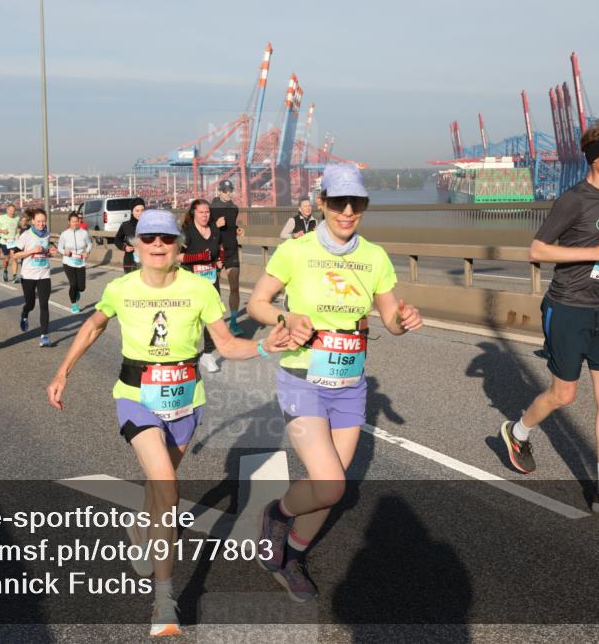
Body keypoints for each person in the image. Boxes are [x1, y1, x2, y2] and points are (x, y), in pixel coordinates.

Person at [46, 209, 289, 636]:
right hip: (136, 398)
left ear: (179, 246)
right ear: (135, 246)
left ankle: (141, 524)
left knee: (161, 488)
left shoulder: (199, 290)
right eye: (149, 239)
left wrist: (266, 348)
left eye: (166, 239)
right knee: (166, 487)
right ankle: (164, 600)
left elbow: (228, 345)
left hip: (186, 402)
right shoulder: (121, 288)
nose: (157, 246)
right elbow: (94, 325)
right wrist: (63, 371)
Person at [247, 164, 423, 602]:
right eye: (339, 202)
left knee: (329, 488)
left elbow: (390, 319)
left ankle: (291, 558)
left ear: (364, 206)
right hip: (302, 377)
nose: (347, 211)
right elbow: (257, 303)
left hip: (349, 383)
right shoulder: (296, 251)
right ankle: (277, 513)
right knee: (331, 485)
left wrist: (404, 320)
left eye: (357, 203)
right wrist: (286, 317)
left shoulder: (376, 258)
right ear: (322, 202)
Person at [500, 119, 599, 515]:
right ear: (595, 157)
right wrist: (595, 254)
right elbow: (537, 251)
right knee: (564, 394)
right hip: (567, 308)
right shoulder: (573, 200)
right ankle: (517, 432)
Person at [179, 199, 225, 374]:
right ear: (193, 214)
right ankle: (186, 353)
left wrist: (220, 259)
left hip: (211, 279)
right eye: (201, 212)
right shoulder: (187, 232)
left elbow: (219, 247)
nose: (205, 215)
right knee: (191, 318)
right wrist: (198, 256)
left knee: (213, 317)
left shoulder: (214, 229)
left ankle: (207, 354)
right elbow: (176, 256)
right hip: (191, 279)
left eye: (207, 212)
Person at [13, 209, 59, 347]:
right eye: (38, 221)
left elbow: (46, 250)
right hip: (28, 275)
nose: (41, 224)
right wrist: (32, 251)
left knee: (44, 305)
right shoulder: (26, 235)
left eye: (43, 221)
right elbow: (15, 255)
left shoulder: (47, 234)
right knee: (31, 304)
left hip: (44, 274)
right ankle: (25, 313)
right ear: (32, 221)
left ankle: (44, 335)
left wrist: (50, 252)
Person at [209, 179, 245, 335]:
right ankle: (214, 322)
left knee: (235, 287)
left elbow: (230, 226)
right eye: (225, 190)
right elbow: (203, 229)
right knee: (212, 290)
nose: (229, 193)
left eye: (230, 190)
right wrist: (214, 225)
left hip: (231, 250)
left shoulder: (234, 208)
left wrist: (237, 229)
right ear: (219, 191)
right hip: (215, 251)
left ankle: (234, 323)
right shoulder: (210, 208)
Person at [57, 212, 92, 313]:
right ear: (69, 222)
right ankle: (74, 305)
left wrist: (87, 252)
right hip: (68, 262)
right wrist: (64, 252)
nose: (75, 223)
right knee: (73, 284)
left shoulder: (84, 233)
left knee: (81, 287)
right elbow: (59, 247)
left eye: (77, 221)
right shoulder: (64, 234)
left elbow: (89, 244)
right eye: (73, 221)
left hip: (80, 262)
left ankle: (77, 291)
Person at [114, 198, 146, 274]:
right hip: (130, 262)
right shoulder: (126, 226)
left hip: (146, 262)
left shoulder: (149, 225)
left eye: (142, 210)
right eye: (137, 211)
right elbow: (117, 240)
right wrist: (125, 247)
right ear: (132, 211)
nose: (140, 213)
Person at [0, 204, 21, 283]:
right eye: (11, 210)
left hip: (14, 241)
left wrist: (18, 232)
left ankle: (15, 276)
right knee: (6, 259)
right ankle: (5, 270)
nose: (13, 212)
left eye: (14, 211)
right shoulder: (1, 217)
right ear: (7, 210)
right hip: (5, 241)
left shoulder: (17, 218)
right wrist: (2, 231)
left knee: (14, 257)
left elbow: (18, 227)